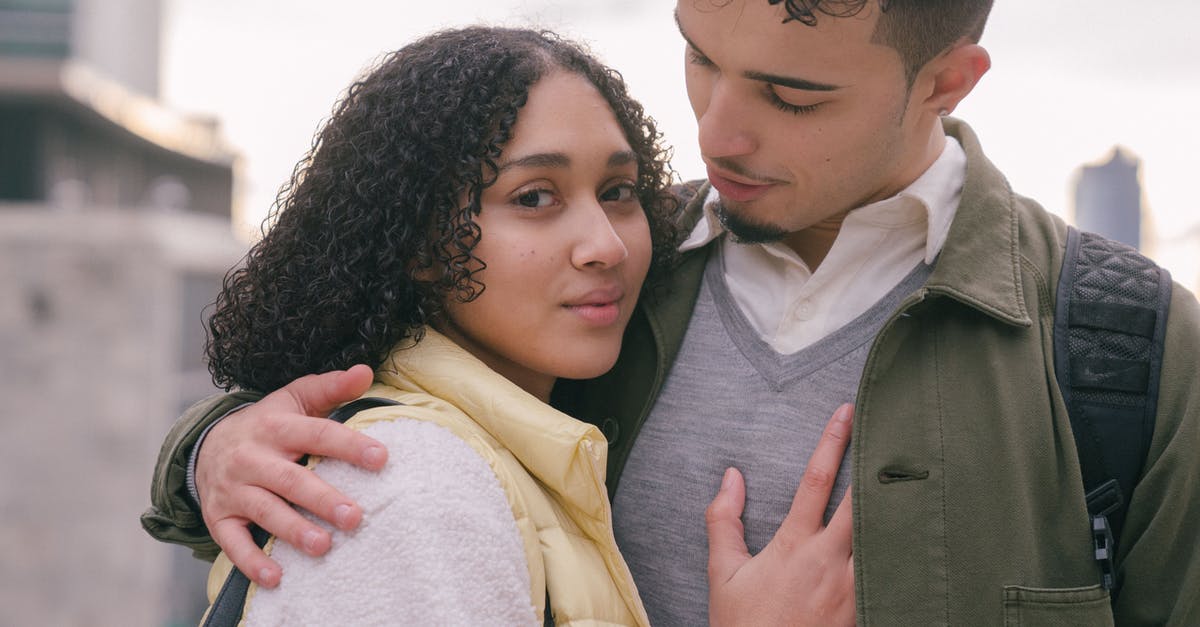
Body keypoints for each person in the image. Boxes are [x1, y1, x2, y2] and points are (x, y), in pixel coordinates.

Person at [143, 2, 1200, 625]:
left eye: (791, 96)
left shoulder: (1132, 352)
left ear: (947, 83)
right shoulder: (601, 279)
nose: (717, 134)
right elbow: (390, 405)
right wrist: (214, 447)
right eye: (699, 55)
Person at [183, 25, 688, 624]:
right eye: (534, 198)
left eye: (618, 191)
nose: (606, 245)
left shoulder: (516, 450)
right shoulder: (412, 484)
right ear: (420, 244)